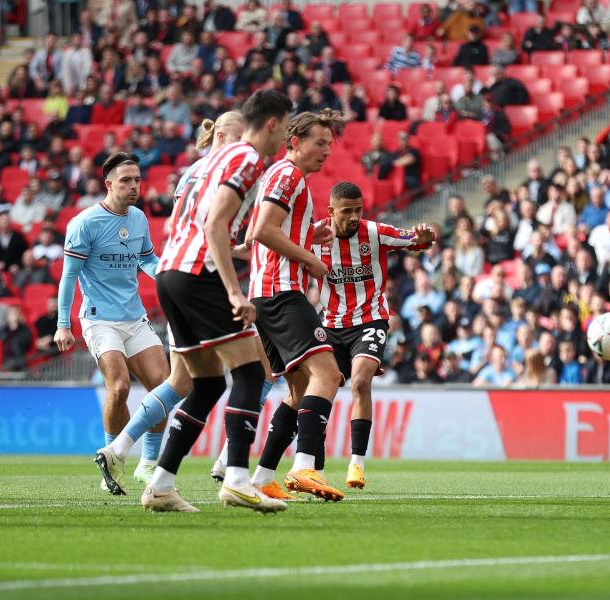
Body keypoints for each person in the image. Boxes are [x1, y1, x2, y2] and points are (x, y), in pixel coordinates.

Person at [145, 89, 293, 514]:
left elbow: (188, 222)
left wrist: (235, 244)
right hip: (200, 274)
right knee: (251, 371)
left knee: (207, 383)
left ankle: (161, 484)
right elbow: (213, 225)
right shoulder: (246, 158)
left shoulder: (204, 162)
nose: (284, 136)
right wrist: (233, 290)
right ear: (272, 123)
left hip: (171, 273)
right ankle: (237, 479)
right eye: (285, 127)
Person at [244, 110, 351, 504]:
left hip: (266, 291)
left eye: (329, 144)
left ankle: (261, 478)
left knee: (299, 387)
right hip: (280, 290)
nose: (325, 151)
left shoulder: (287, 177)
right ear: (294, 142)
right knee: (328, 373)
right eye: (318, 142)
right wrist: (308, 257)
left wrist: (309, 233)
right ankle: (305, 465)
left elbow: (272, 229)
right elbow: (263, 231)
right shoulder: (287, 175)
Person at [55, 153, 172, 495]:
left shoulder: (138, 218)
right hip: (99, 320)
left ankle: (147, 465)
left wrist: (164, 276)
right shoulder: (84, 223)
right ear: (108, 184)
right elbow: (68, 277)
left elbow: (147, 259)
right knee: (119, 387)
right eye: (126, 180)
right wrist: (63, 325)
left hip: (134, 318)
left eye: (137, 180)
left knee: (163, 386)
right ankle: (113, 460)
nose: (134, 186)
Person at [313, 181, 435, 489]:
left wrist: (424, 237)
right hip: (330, 323)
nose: (354, 217)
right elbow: (277, 245)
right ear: (331, 211)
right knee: (315, 392)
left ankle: (357, 463)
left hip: (370, 320)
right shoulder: (314, 237)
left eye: (358, 210)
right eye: (347, 211)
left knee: (360, 381)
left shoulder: (375, 232)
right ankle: (313, 465)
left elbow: (417, 240)